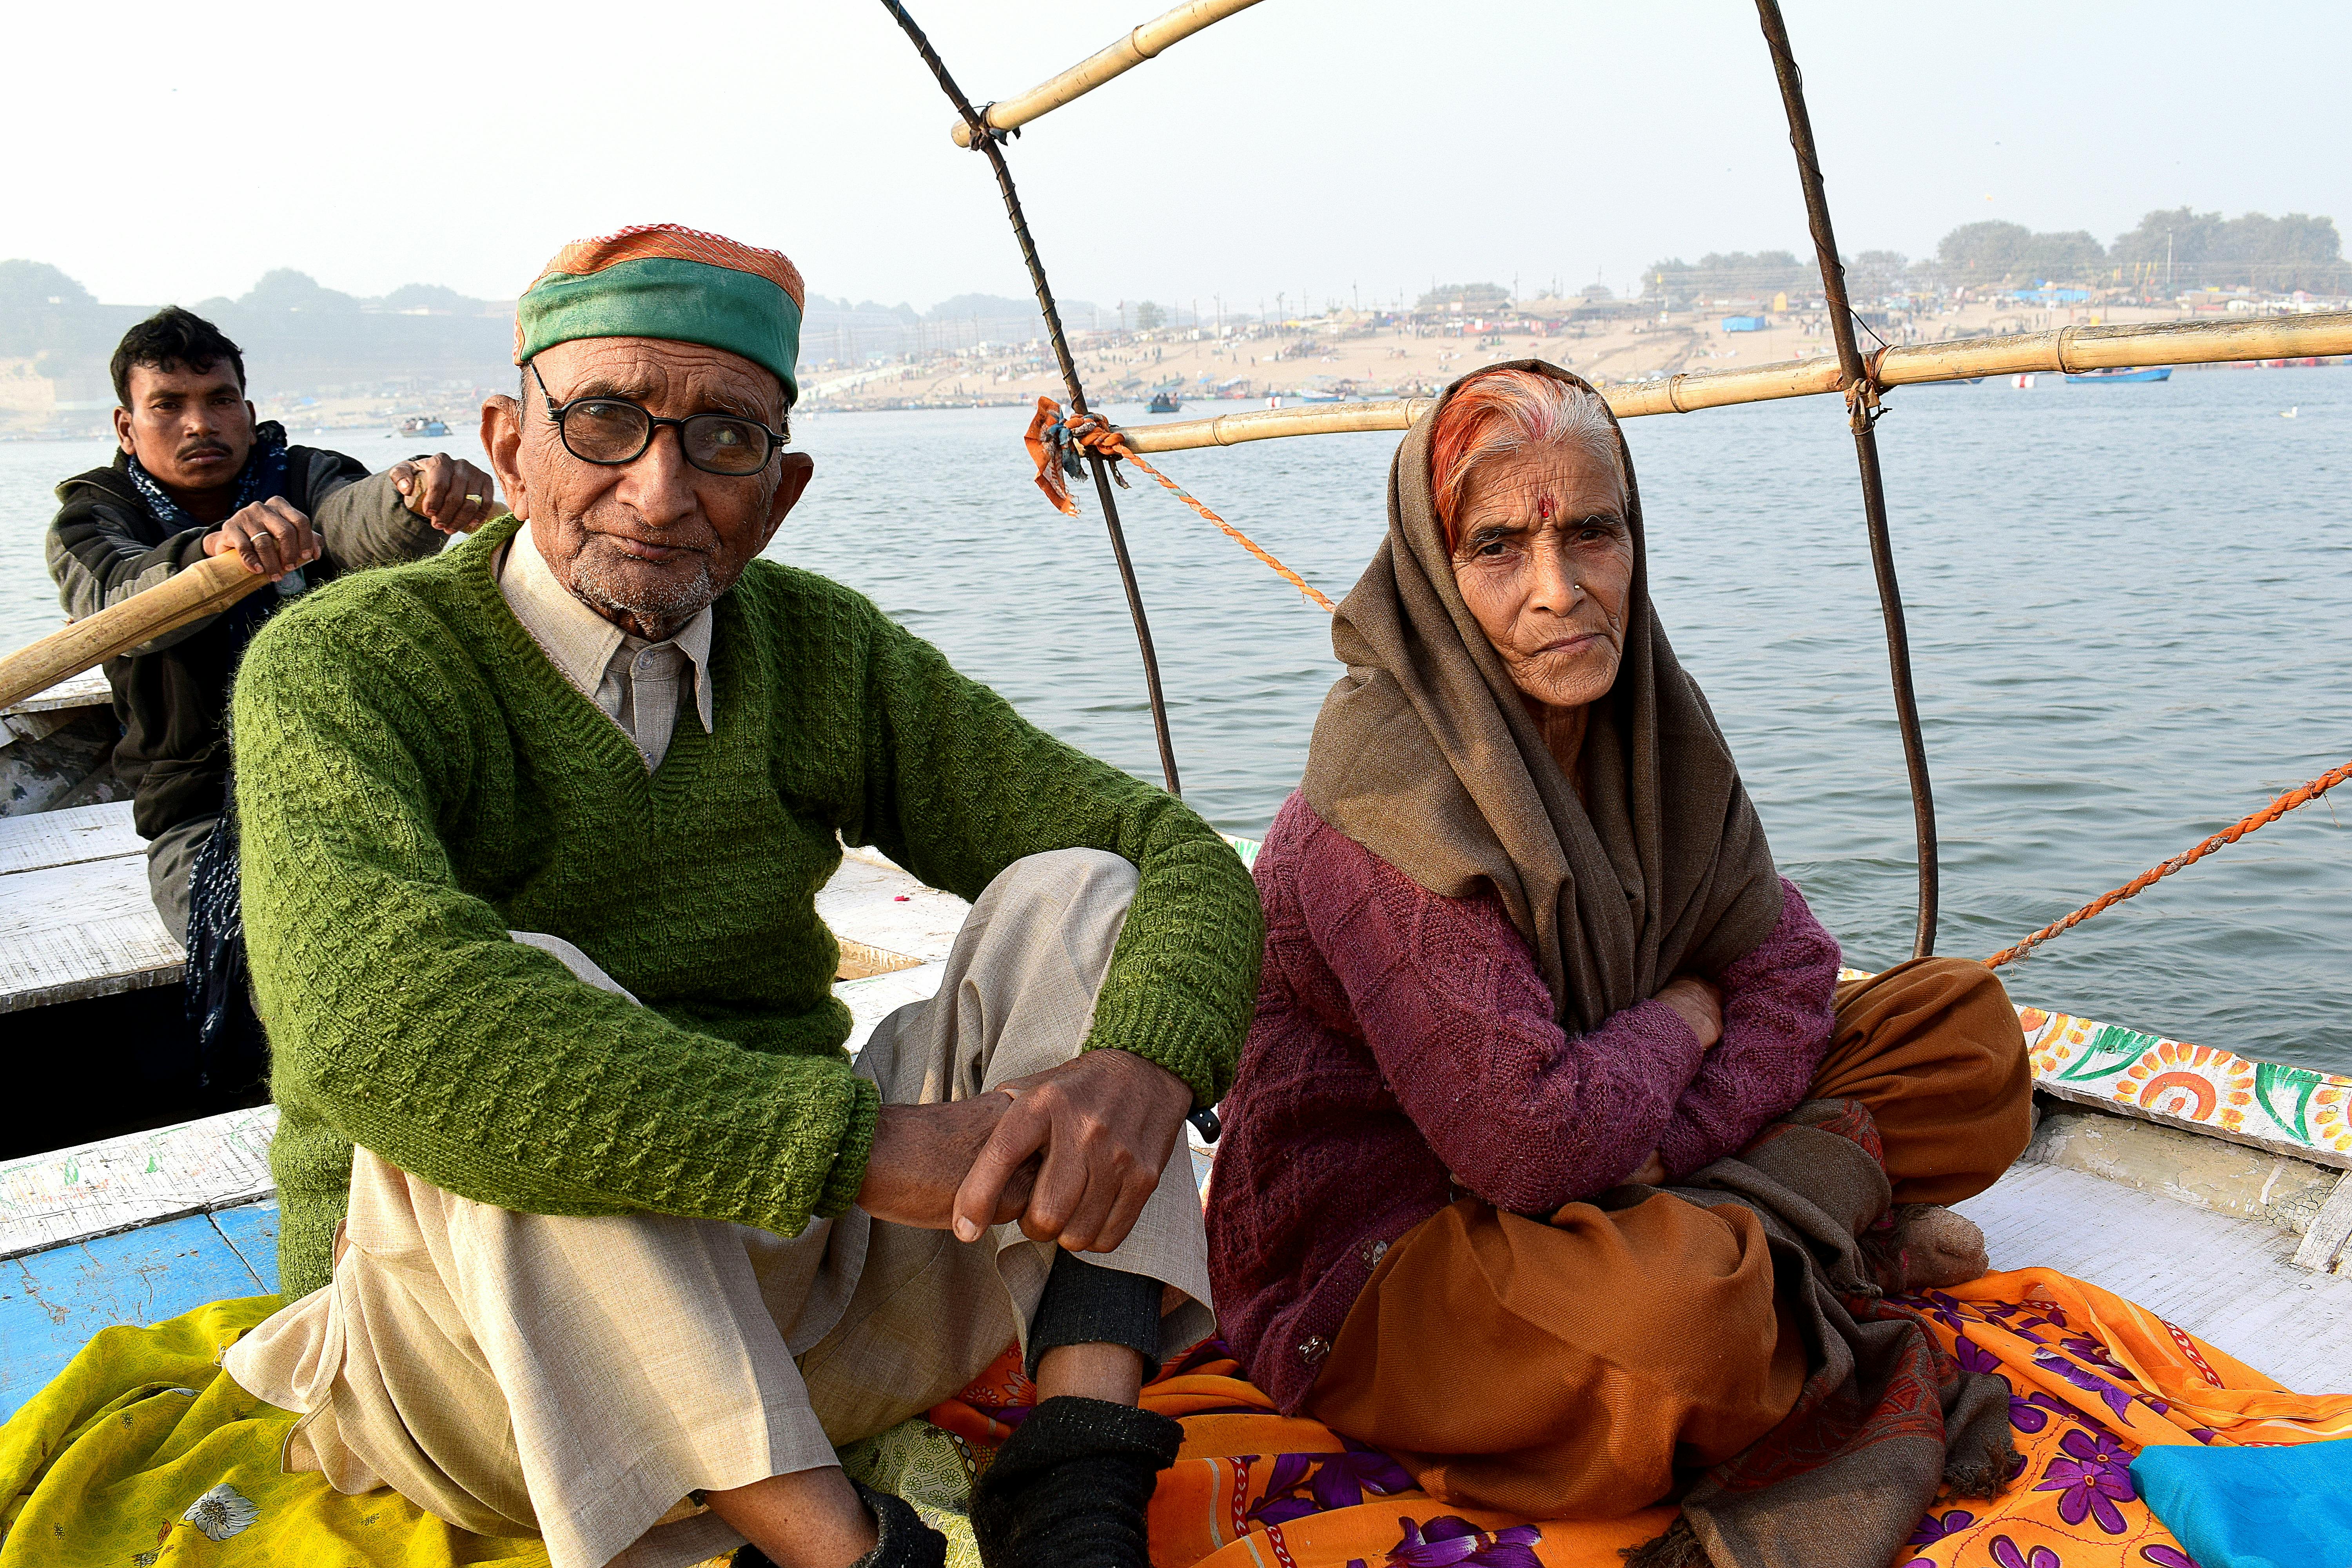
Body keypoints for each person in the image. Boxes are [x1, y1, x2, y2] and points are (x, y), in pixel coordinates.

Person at [216, 225, 1264, 1568]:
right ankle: (843, 1551)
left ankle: (1076, 1473)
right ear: (508, 443)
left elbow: (1172, 856)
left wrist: (1139, 1066)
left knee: (1087, 896)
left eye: (722, 440)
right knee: (498, 1020)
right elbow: (372, 1026)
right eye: (605, 422)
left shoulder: (819, 650)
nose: (658, 492)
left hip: (800, 1316)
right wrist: (872, 1150)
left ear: (780, 492)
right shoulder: (344, 666)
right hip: (482, 1374)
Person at [1205, 363, 2034, 1568]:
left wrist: (1649, 1144)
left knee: (1964, 1031)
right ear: (1437, 574)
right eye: (1499, 549)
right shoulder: (1384, 795)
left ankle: (1779, 1241)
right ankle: (1827, 1239)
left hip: (1611, 1144)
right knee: (1681, 1323)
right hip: (1401, 1249)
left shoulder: (1653, 717)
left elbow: (1792, 968)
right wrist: (1688, 1020)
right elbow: (1524, 1149)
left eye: (1592, 531)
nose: (1560, 590)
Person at [45, 305, 496, 942]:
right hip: (201, 812)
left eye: (220, 400)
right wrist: (210, 555)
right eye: (168, 405)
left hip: (364, 776)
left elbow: (354, 520)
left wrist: (417, 494)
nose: (200, 424)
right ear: (127, 426)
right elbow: (115, 605)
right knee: (272, 948)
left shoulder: (308, 476)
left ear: (249, 415)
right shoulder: (92, 518)